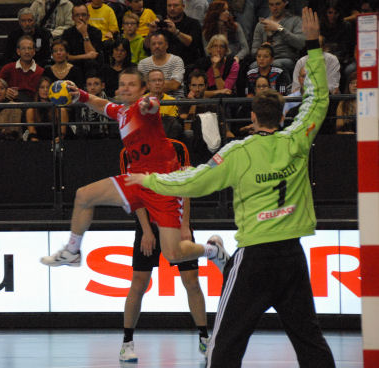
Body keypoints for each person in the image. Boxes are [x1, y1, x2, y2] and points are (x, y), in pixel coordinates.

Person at [124, 8, 336, 367]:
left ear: (252, 118)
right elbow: (318, 100)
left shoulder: (238, 151)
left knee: (226, 344)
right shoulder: (296, 140)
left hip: (254, 258)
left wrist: (149, 180)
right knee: (310, 340)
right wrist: (313, 47)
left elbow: (193, 180)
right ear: (282, 117)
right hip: (291, 257)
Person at [40, 67, 230, 277]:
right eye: (122, 84)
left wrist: (149, 103)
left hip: (162, 185)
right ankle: (72, 252)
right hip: (136, 181)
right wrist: (82, 96)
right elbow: (103, 105)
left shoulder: (145, 108)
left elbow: (152, 106)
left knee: (173, 254)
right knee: (84, 195)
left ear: (143, 89)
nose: (126, 88)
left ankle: (213, 250)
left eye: (131, 85)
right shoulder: (122, 112)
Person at [118, 137, 209, 362]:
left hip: (175, 221)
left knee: (192, 281)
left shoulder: (177, 148)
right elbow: (134, 194)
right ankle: (127, 344)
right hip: (147, 224)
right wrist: (147, 231)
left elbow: (186, 186)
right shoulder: (128, 152)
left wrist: (185, 226)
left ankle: (205, 340)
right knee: (139, 281)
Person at [251, 0, 305, 73]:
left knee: (275, 65)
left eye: (278, 4)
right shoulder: (261, 24)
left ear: (285, 3)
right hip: (265, 58)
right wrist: (263, 49)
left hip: (285, 58)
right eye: (271, 5)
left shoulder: (295, 21)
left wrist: (279, 28)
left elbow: (300, 44)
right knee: (253, 66)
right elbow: (254, 51)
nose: (274, 8)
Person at [146, 0, 204, 68]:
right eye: (169, 6)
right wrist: (151, 32)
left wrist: (176, 32)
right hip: (162, 66)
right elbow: (146, 47)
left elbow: (193, 43)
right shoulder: (160, 24)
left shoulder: (193, 23)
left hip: (188, 65)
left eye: (175, 5)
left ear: (183, 7)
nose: (172, 8)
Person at [138, 32, 185, 98]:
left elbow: (175, 85)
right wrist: (168, 84)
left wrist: (151, 84)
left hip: (175, 101)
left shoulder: (176, 60)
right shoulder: (143, 63)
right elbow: (141, 86)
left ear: (167, 45)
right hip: (150, 102)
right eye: (153, 44)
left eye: (160, 43)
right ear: (150, 46)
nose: (157, 46)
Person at [0, 35, 44, 102]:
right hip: (10, 106)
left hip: (32, 106)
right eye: (23, 48)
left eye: (29, 48)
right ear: (18, 51)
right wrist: (4, 92)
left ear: (34, 51)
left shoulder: (41, 72)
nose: (27, 52)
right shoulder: (7, 69)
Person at [61, 3, 103, 74]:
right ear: (72, 18)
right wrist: (85, 56)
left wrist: (84, 33)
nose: (80, 18)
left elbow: (93, 56)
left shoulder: (96, 32)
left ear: (88, 16)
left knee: (91, 64)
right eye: (77, 15)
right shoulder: (67, 33)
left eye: (83, 15)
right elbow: (65, 57)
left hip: (90, 67)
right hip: (72, 66)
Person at [25, 76, 68, 141]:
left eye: (48, 87)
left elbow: (62, 133)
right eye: (42, 87)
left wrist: (54, 143)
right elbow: (32, 133)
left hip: (58, 142)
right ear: (38, 90)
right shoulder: (31, 111)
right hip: (38, 142)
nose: (45, 90)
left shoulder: (60, 109)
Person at [77, 71, 117, 139]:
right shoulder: (79, 105)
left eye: (96, 84)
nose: (92, 87)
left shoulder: (111, 103)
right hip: (85, 142)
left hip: (108, 141)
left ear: (103, 86)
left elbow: (114, 131)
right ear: (86, 87)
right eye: (89, 84)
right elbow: (79, 130)